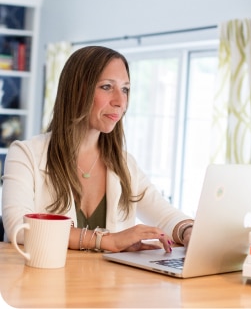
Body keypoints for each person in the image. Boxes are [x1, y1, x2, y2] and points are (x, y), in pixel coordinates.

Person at [2, 46, 193, 253]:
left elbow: (165, 216)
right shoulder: (26, 154)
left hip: (104, 285)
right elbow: (19, 227)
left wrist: (188, 231)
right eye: (107, 87)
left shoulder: (125, 164)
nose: (120, 102)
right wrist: (105, 240)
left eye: (125, 89)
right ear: (77, 90)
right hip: (43, 284)